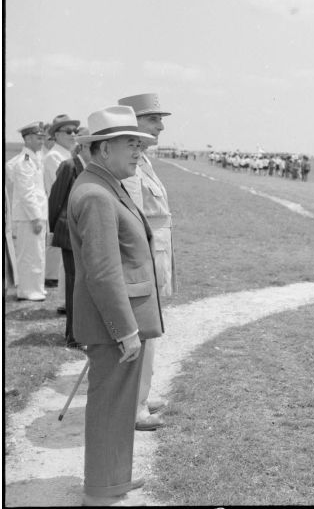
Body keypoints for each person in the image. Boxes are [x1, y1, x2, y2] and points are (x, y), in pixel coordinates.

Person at [68, 105, 164, 506]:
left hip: (119, 318)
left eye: (140, 144)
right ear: (104, 149)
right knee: (110, 404)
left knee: (119, 403)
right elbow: (104, 273)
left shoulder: (106, 184)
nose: (139, 151)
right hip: (115, 323)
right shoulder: (95, 194)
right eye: (131, 143)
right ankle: (101, 490)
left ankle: (113, 479)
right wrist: (124, 329)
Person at [118, 93, 175, 432]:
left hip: (154, 258)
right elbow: (131, 222)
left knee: (149, 332)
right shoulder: (130, 166)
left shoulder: (145, 161)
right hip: (142, 262)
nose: (161, 125)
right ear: (134, 121)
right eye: (154, 119)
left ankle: (142, 395)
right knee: (141, 331)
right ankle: (134, 407)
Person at [48, 132, 91, 349]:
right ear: (82, 147)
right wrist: (53, 229)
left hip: (84, 234)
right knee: (74, 285)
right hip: (68, 234)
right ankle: (74, 336)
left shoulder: (91, 169)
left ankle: (80, 332)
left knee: (83, 285)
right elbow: (55, 200)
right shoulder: (69, 166)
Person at [43, 114, 80, 311]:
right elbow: (54, 191)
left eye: (75, 131)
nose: (73, 135)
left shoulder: (66, 154)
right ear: (56, 135)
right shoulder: (54, 157)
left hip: (71, 214)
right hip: (64, 214)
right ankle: (68, 303)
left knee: (68, 266)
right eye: (68, 131)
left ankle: (70, 302)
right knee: (67, 265)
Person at [11, 122, 48, 301]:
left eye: (43, 137)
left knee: (38, 253)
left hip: (36, 215)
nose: (42, 141)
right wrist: (35, 218)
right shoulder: (24, 162)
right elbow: (27, 193)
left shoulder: (34, 158)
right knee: (29, 255)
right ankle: (27, 290)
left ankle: (36, 288)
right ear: (27, 139)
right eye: (38, 138)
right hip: (29, 217)